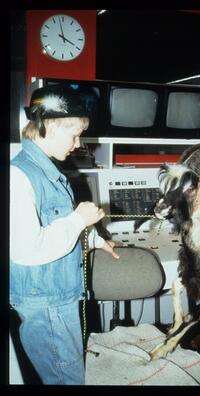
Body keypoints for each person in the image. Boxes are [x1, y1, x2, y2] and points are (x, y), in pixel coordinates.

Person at [10, 84, 119, 385]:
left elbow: (53, 223)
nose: (77, 143)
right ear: (49, 126)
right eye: (73, 134)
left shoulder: (47, 170)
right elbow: (26, 251)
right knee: (68, 378)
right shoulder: (20, 176)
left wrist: (97, 240)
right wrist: (77, 220)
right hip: (47, 305)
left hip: (57, 298)